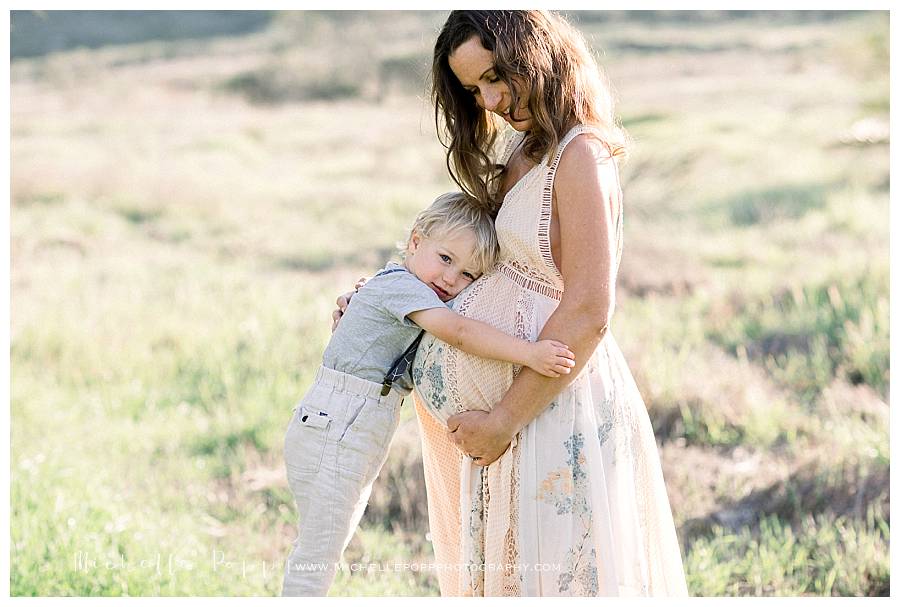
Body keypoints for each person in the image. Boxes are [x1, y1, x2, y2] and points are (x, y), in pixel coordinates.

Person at [334, 9, 688, 597]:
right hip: (509, 423)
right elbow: (476, 274)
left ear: (537, 53)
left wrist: (503, 419)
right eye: (475, 89)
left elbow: (589, 309)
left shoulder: (580, 154)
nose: (492, 99)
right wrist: (380, 300)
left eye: (498, 76)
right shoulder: (524, 151)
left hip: (547, 407)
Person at [282, 191, 576, 596]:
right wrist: (531, 353)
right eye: (445, 259)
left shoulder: (399, 287)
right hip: (340, 421)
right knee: (318, 555)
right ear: (416, 241)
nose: (452, 279)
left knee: (323, 545)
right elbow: (458, 332)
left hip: (350, 424)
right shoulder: (402, 288)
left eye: (469, 275)